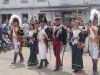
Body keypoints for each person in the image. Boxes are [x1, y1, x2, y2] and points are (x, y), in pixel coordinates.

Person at [87, 9, 100, 74]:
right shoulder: (89, 28)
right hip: (91, 45)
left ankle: (94, 69)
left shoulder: (99, 27)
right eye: (93, 20)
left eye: (95, 20)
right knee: (92, 58)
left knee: (95, 57)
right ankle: (95, 66)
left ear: (97, 20)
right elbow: (87, 35)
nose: (93, 21)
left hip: (96, 45)